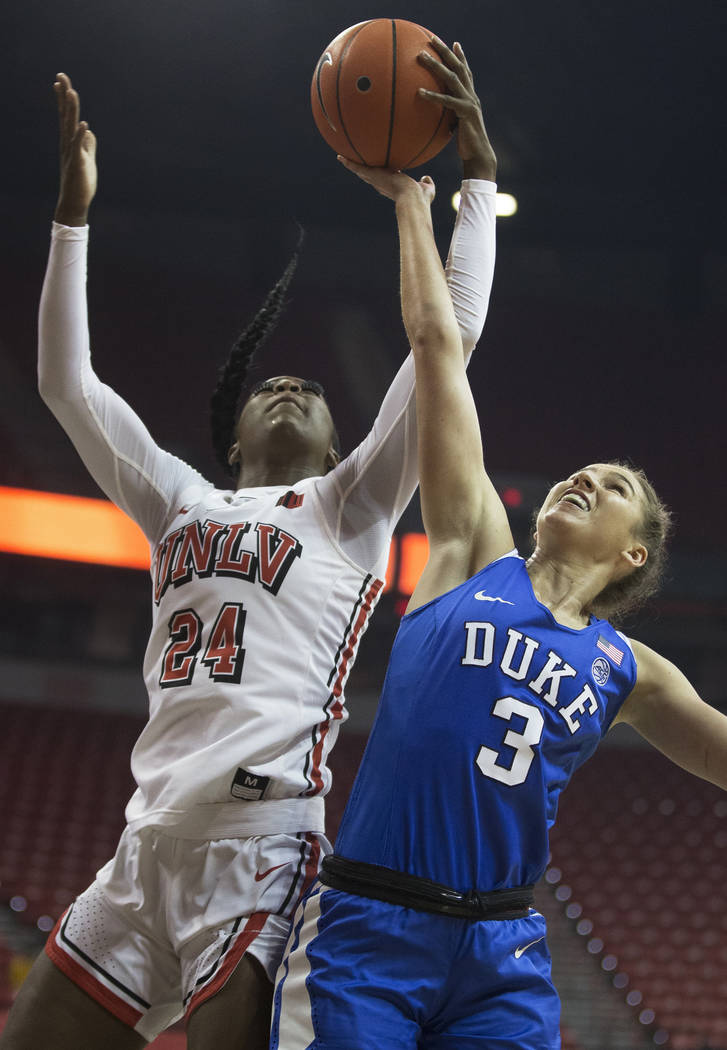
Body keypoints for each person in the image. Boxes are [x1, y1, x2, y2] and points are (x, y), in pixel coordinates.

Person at [0, 42, 498, 1050]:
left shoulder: (352, 504)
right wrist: (71, 217)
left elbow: (452, 338)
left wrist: (475, 188)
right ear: (232, 440)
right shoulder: (177, 497)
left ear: (334, 440)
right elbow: (67, 384)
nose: (294, 386)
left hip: (265, 847)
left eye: (315, 391)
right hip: (143, 851)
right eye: (275, 384)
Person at [270, 50, 727, 1050]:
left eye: (611, 488)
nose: (583, 479)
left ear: (634, 553)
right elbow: (438, 350)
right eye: (582, 470)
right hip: (370, 926)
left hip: (500, 956)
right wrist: (413, 201)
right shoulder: (473, 552)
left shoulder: (628, 669)